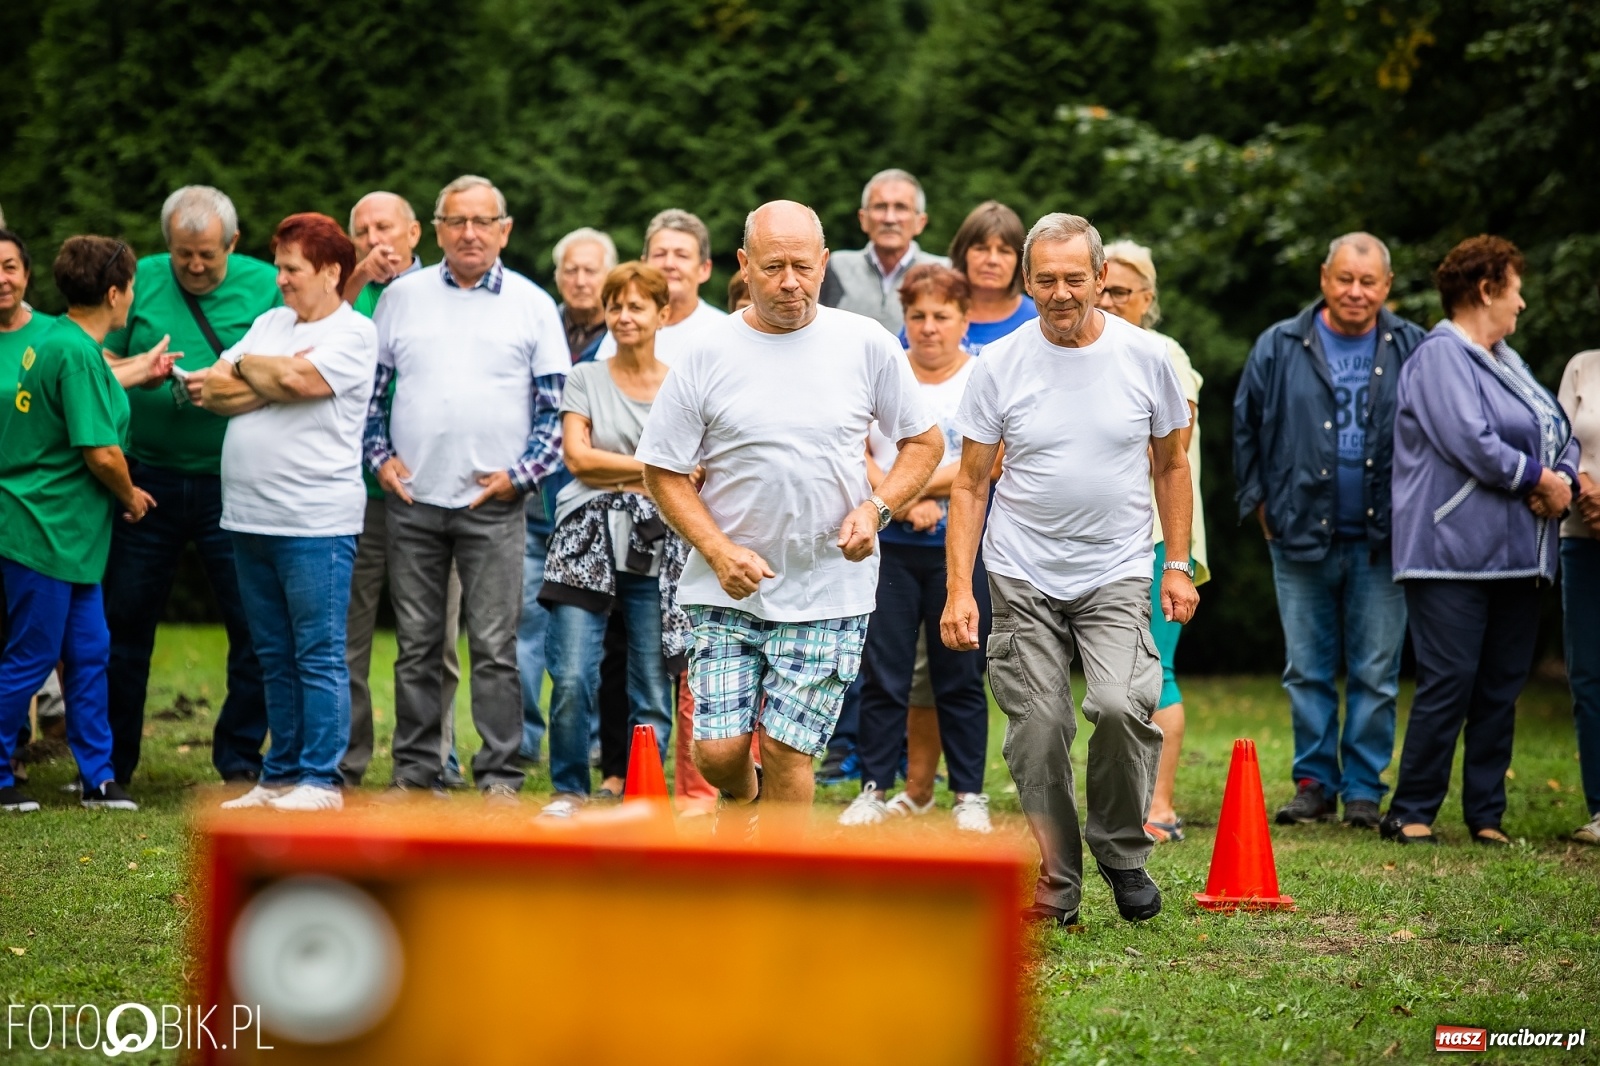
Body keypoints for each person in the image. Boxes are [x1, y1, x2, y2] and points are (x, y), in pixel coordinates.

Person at [638, 200, 942, 832]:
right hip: (725, 584)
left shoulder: (865, 343)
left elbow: (924, 444)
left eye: (802, 266)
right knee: (718, 754)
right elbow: (662, 469)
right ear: (744, 265)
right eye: (772, 266)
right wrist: (718, 551)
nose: (789, 282)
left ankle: (780, 885)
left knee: (784, 749)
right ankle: (744, 805)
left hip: (828, 585)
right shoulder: (707, 351)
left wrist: (878, 507)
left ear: (824, 263)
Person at [943, 213, 1197, 927]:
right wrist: (960, 588)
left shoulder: (1146, 360)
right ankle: (1058, 879)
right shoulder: (999, 365)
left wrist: (1175, 565)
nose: (1061, 293)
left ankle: (1120, 850)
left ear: (1099, 281)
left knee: (1121, 706)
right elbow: (970, 483)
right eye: (1046, 279)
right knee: (1039, 727)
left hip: (1116, 566)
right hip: (1021, 572)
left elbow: (1172, 464)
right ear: (1027, 281)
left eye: (1075, 279)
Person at [365, 175, 568, 801]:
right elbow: (370, 397)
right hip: (414, 502)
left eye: (483, 222)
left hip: (494, 507)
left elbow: (554, 412)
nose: (470, 233)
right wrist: (379, 458)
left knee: (495, 648)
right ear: (438, 230)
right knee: (418, 648)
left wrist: (520, 478)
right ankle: (415, 772)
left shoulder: (533, 304)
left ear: (504, 230)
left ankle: (501, 775)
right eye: (457, 222)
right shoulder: (401, 297)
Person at [1383, 235, 1578, 846]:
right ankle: (1411, 810)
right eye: (1515, 290)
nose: (1521, 305)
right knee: (1450, 682)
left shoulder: (1506, 359)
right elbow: (1472, 441)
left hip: (1519, 554)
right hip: (1450, 555)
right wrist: (1540, 478)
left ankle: (1485, 815)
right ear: (1487, 289)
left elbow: (1557, 427)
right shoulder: (1442, 356)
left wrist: (1565, 478)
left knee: (1500, 685)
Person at [1233, 232, 1426, 830]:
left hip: (1383, 538)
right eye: (1345, 279)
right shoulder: (1280, 343)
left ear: (1386, 287)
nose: (1355, 292)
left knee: (1375, 672)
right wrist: (1258, 505)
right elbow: (1245, 428)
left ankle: (1365, 789)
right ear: (1324, 279)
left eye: (1368, 282)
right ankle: (1314, 783)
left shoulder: (1412, 346)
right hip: (1296, 537)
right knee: (1307, 669)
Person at [102, 185, 281, 787]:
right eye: (184, 255)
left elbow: (296, 367)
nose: (197, 267)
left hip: (232, 483)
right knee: (123, 625)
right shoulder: (140, 279)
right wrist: (142, 374)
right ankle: (111, 766)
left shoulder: (264, 284)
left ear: (233, 243)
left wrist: (234, 383)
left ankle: (238, 760)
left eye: (208, 254)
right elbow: (95, 359)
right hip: (144, 478)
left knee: (253, 628)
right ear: (167, 247)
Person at [201, 214, 376, 811]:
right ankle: (277, 777)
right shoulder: (273, 322)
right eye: (278, 266)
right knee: (271, 652)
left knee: (318, 653)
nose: (280, 279)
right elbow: (213, 391)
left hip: (315, 523)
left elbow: (301, 379)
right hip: (248, 516)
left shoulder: (354, 334)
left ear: (331, 272)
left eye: (291, 268)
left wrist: (251, 366)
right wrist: (262, 371)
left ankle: (319, 780)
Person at [0, 236, 165, 813]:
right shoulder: (70, 350)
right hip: (42, 529)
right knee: (30, 657)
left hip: (74, 537)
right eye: (131, 288)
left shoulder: (64, 343)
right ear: (115, 294)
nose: (132, 298)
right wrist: (131, 496)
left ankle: (99, 776)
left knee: (90, 652)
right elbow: (100, 452)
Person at [840, 264, 992, 833]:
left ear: (964, 320)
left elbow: (988, 460)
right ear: (903, 319)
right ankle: (875, 787)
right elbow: (854, 449)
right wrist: (896, 505)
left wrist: (907, 489)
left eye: (941, 316)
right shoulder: (884, 370)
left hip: (960, 551)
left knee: (960, 672)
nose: (928, 328)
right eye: (917, 316)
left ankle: (969, 794)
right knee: (884, 673)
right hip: (890, 549)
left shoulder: (982, 375)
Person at [538, 264, 686, 816]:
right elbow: (577, 459)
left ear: (662, 315)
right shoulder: (585, 378)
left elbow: (691, 470)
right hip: (584, 544)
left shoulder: (680, 382)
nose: (624, 317)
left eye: (636, 306)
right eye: (615, 306)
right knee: (573, 674)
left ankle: (642, 791)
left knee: (650, 680)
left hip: (657, 547)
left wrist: (619, 470)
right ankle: (567, 789)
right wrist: (652, 471)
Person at [336, 191, 465, 789]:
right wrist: (358, 278)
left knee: (434, 637)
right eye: (361, 231)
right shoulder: (342, 295)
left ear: (415, 232)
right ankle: (343, 758)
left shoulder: (448, 291)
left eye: (383, 227)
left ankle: (437, 755)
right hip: (354, 494)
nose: (373, 239)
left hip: (434, 492)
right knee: (346, 637)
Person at [1096, 239, 1210, 843]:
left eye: (1122, 291)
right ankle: (1125, 800)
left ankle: (1159, 806)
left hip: (1161, 541)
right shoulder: (1090, 351)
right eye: (1103, 288)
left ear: (1148, 299)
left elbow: (1169, 451)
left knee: (1155, 669)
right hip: (1104, 542)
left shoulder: (1164, 353)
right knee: (1115, 679)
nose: (1108, 301)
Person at [526, 228, 621, 773]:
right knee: (524, 636)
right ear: (558, 277)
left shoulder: (626, 332)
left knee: (593, 644)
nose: (580, 280)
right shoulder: (541, 327)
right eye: (570, 270)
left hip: (596, 513)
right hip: (535, 506)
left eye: (591, 270)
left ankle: (590, 743)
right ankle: (525, 742)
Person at [818, 168, 950, 332]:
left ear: (920, 222)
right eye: (880, 207)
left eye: (901, 207)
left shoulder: (944, 271)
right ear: (863, 219)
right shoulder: (835, 267)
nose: (889, 218)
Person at [1559, 326, 1600, 845]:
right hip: (1581, 537)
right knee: (1588, 674)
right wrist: (1587, 490)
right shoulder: (1582, 366)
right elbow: (1556, 441)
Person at [595, 210, 726, 364]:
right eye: (659, 254)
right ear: (643, 264)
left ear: (704, 269)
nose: (669, 264)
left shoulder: (722, 331)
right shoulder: (626, 325)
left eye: (682, 255)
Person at [938, 201, 1037, 354]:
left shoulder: (1038, 320)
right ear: (963, 253)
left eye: (1004, 251)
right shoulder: (931, 311)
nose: (992, 260)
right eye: (981, 249)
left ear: (1020, 260)